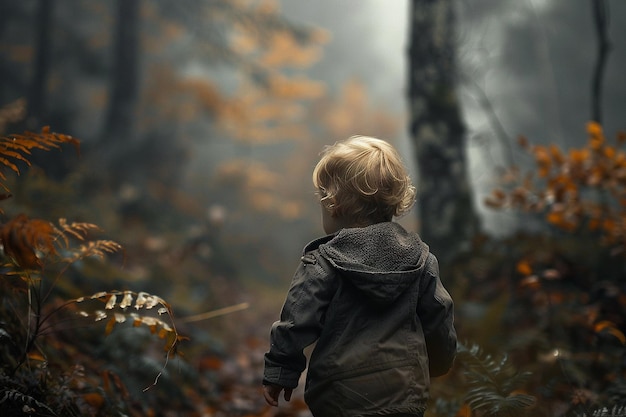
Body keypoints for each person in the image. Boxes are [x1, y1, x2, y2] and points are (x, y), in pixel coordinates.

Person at [262, 135, 457, 417]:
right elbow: (439, 317)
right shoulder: (420, 260)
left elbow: (296, 321)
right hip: (404, 392)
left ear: (333, 205)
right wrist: (438, 363)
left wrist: (280, 371)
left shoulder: (324, 261)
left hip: (339, 394)